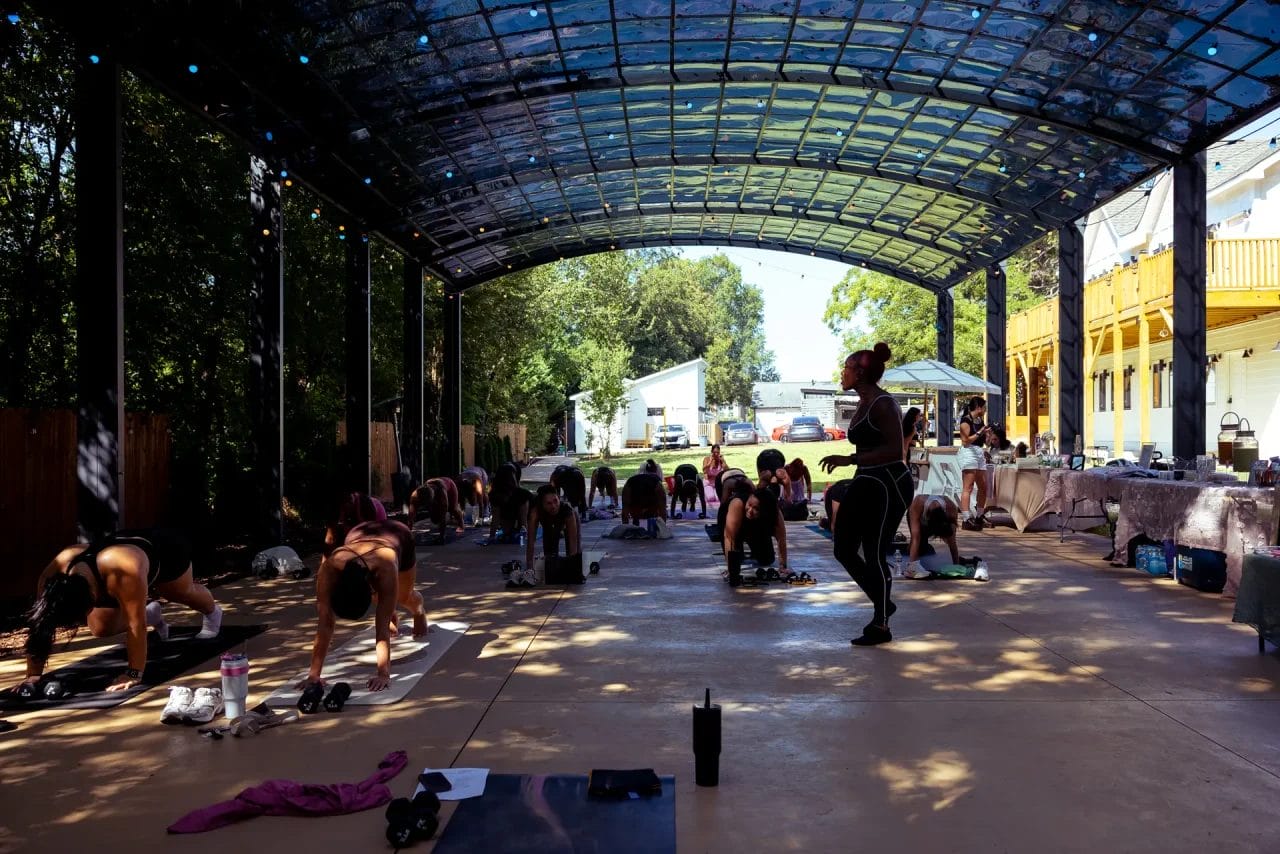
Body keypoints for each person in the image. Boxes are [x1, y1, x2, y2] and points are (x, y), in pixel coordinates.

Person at [17, 529, 222, 693]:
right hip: (107, 570)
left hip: (165, 551)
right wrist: (33, 676)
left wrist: (133, 674)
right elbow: (40, 625)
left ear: (91, 598)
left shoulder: (124, 572)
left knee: (179, 593)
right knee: (100, 629)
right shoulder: (54, 573)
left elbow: (136, 625)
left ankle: (213, 613)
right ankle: (152, 613)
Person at [820, 343, 913, 647]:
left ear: (860, 373)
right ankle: (882, 601)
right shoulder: (863, 401)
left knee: (874, 551)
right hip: (868, 479)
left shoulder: (884, 404)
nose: (842, 373)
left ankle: (881, 624)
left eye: (846, 367)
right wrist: (853, 463)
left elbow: (894, 451)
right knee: (843, 547)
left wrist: (849, 460)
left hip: (888, 483)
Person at [300, 518, 428, 692]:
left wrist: (383, 674)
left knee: (403, 597)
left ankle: (418, 610)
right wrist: (314, 674)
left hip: (398, 535)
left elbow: (381, 629)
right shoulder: (329, 568)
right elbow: (325, 622)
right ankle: (390, 610)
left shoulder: (386, 565)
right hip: (359, 533)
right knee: (384, 600)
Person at [722, 484, 790, 586]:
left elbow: (781, 538)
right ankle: (737, 556)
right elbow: (729, 538)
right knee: (736, 561)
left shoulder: (774, 512)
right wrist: (731, 569)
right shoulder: (738, 504)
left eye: (756, 508)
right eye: (749, 505)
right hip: (735, 527)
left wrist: (783, 566)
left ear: (765, 510)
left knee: (767, 559)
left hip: (756, 527)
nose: (750, 511)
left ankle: (753, 546)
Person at [903, 493, 970, 578]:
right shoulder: (918, 503)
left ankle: (957, 560)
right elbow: (916, 537)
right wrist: (912, 568)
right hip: (917, 513)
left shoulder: (951, 507)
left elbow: (952, 541)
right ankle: (911, 557)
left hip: (936, 517)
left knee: (925, 549)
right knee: (918, 543)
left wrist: (956, 565)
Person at [525, 484, 583, 576]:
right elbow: (531, 542)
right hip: (548, 523)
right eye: (549, 503)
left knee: (574, 557)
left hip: (567, 520)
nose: (554, 506)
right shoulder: (535, 512)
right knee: (550, 559)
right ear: (541, 504)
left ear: (559, 498)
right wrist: (529, 568)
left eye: (555, 501)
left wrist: (573, 567)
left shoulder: (567, 511)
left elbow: (573, 543)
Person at [957, 396, 993, 530]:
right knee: (969, 486)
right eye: (984, 408)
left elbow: (986, 443)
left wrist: (988, 435)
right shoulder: (966, 420)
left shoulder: (980, 420)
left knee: (983, 486)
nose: (984, 410)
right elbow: (965, 440)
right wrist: (980, 432)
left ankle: (979, 514)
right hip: (969, 453)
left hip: (979, 453)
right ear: (978, 407)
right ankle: (966, 518)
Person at [408, 478, 466, 543]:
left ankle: (461, 525)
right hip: (434, 493)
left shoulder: (442, 493)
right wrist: (408, 531)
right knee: (435, 520)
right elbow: (411, 514)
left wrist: (442, 536)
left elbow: (443, 515)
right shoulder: (415, 495)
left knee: (453, 509)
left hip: (450, 486)